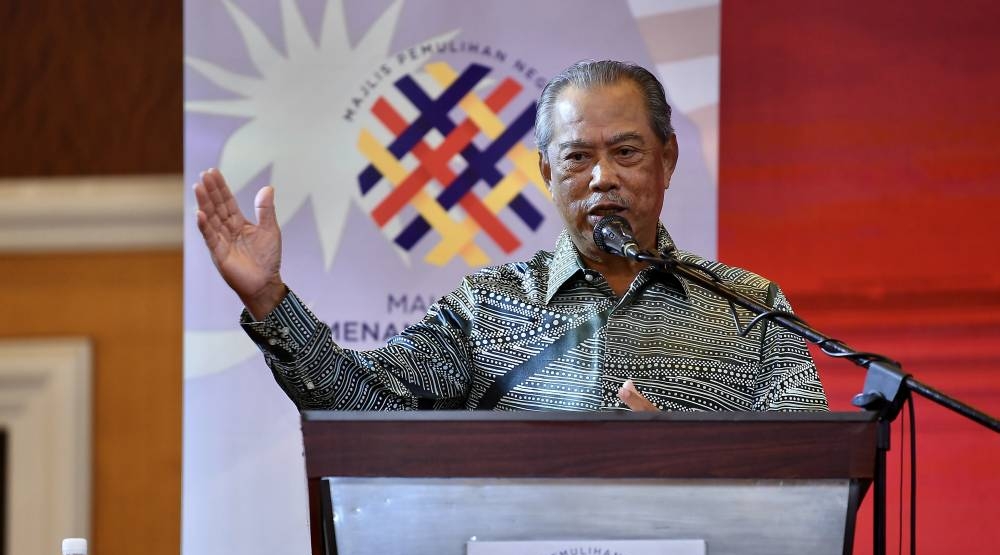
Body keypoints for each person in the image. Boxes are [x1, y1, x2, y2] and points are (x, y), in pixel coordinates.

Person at [194, 59, 827, 412]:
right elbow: (366, 405)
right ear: (547, 173)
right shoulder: (486, 309)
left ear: (668, 159)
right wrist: (269, 299)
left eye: (626, 152)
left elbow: (806, 479)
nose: (602, 177)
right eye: (577, 157)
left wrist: (683, 459)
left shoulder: (751, 309)